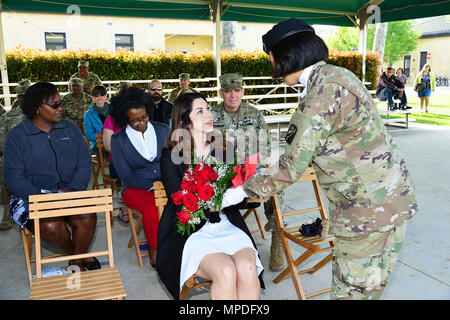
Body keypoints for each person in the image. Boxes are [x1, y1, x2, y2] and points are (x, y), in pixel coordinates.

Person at [221, 18, 418, 300]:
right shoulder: (339, 75)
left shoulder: (319, 94)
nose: (273, 65)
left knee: (351, 293)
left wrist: (243, 191)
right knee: (368, 291)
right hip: (391, 200)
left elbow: (292, 166)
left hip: (365, 212)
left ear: (288, 56)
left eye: (273, 57)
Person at [156, 92, 265, 300]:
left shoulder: (224, 149)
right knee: (226, 271)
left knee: (248, 267)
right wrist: (230, 196)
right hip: (192, 232)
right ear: (184, 121)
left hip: (225, 224)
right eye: (200, 111)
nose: (209, 114)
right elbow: (182, 204)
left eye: (207, 108)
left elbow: (236, 194)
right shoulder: (171, 157)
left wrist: (252, 195)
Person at [3, 82, 98, 271]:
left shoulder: (70, 129)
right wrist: (43, 197)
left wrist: (74, 189)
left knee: (88, 215)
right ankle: (79, 256)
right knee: (51, 225)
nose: (60, 108)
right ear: (37, 108)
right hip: (30, 197)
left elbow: (84, 162)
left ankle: (75, 262)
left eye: (60, 103)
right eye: (55, 105)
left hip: (69, 191)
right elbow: (13, 177)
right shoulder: (17, 136)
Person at [212, 72, 286, 272]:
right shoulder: (211, 117)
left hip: (251, 172)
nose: (233, 95)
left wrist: (255, 169)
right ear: (221, 93)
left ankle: (277, 237)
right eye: (228, 91)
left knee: (275, 185)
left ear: (242, 92)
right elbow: (205, 150)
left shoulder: (254, 114)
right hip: (224, 174)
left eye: (237, 91)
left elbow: (267, 147)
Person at [110, 87, 169, 268]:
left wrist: (166, 182)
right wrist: (154, 185)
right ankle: (156, 250)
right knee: (153, 209)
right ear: (125, 120)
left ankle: (181, 247)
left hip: (167, 182)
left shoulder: (163, 130)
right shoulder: (118, 140)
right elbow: (126, 176)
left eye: (144, 117)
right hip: (135, 188)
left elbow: (174, 162)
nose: (141, 123)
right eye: (135, 121)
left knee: (183, 203)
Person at [0, 80, 30, 231]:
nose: (23, 98)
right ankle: (7, 213)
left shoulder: (42, 112)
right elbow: (2, 141)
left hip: (37, 157)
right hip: (15, 157)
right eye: (20, 96)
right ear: (17, 97)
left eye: (26, 95)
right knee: (4, 167)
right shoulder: (8, 117)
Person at [84, 85, 112, 154]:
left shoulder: (114, 110)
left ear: (106, 96)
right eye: (96, 95)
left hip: (115, 142)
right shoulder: (88, 115)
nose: (99, 96)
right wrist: (106, 138)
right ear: (92, 97)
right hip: (98, 145)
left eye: (102, 94)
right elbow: (89, 135)